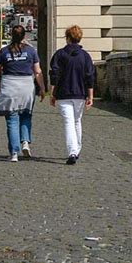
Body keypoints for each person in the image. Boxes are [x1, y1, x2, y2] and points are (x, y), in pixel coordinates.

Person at [0, 25, 46, 161]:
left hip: (10, 86)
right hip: (27, 86)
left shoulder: (3, 52)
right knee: (26, 115)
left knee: (12, 119)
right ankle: (25, 142)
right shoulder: (31, 51)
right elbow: (37, 72)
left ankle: (14, 153)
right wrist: (43, 88)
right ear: (24, 36)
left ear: (11, 35)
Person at [49, 24, 94, 165]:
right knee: (76, 121)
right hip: (80, 93)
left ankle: (72, 152)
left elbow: (54, 74)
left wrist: (52, 93)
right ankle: (77, 148)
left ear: (67, 38)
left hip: (63, 93)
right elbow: (90, 76)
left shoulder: (60, 54)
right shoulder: (85, 56)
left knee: (69, 122)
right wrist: (90, 96)